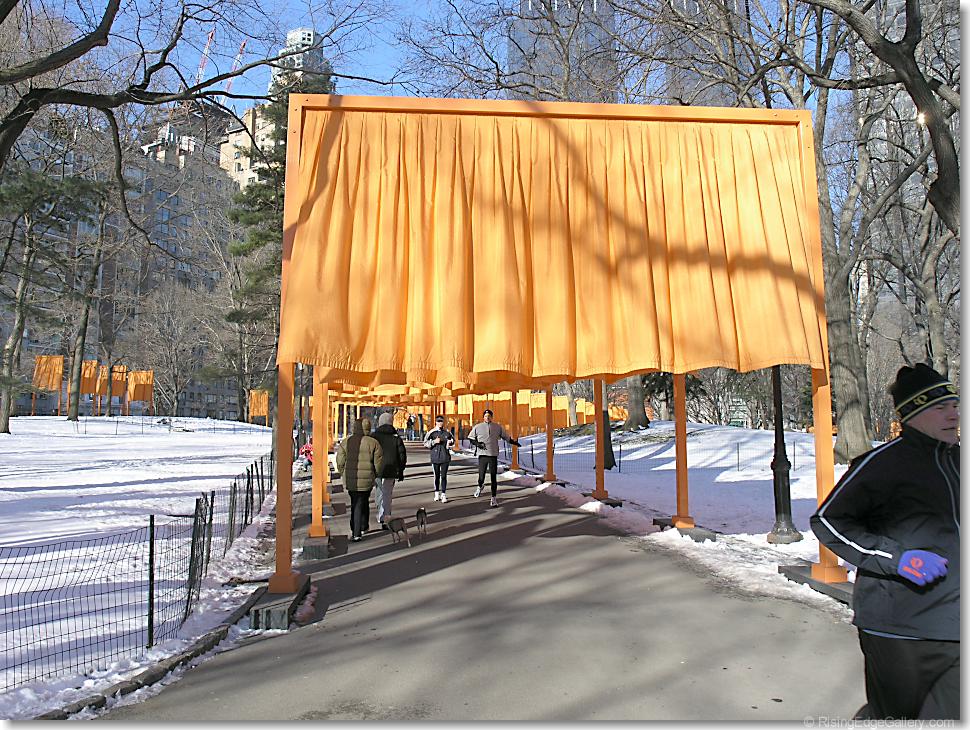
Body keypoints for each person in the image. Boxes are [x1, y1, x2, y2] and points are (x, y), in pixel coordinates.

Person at [810, 363, 959, 721]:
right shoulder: (882, 464)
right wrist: (897, 559)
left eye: (955, 405)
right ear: (912, 415)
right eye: (941, 407)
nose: (954, 414)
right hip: (898, 629)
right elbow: (828, 521)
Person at [335, 417, 384, 542]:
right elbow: (378, 463)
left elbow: (340, 461)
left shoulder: (346, 442)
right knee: (363, 500)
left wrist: (343, 473)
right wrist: (375, 474)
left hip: (351, 479)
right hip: (367, 478)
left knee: (355, 503)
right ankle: (363, 525)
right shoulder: (373, 443)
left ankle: (356, 531)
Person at [467, 408, 521, 507]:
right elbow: (470, 438)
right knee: (481, 476)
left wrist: (514, 442)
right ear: (483, 417)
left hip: (493, 455)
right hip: (482, 454)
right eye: (485, 416)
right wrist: (478, 444)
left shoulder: (497, 427)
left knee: (493, 477)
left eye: (489, 416)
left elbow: (506, 437)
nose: (487, 418)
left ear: (492, 417)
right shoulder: (478, 427)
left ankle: (493, 498)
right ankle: (480, 486)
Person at [372, 412, 407, 528]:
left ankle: (381, 514)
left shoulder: (373, 437)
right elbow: (402, 456)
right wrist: (400, 470)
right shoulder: (396, 438)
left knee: (379, 492)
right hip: (391, 470)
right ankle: (386, 517)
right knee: (387, 494)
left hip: (376, 470)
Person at [424, 415, 455, 503]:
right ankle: (436, 493)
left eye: (441, 421)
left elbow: (453, 441)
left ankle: (443, 494)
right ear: (436, 422)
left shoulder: (447, 432)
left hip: (445, 457)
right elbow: (425, 443)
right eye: (438, 421)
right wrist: (434, 442)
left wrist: (450, 442)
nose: (440, 423)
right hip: (435, 457)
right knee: (436, 476)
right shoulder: (431, 432)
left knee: (444, 476)